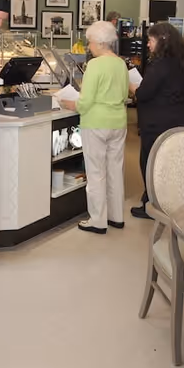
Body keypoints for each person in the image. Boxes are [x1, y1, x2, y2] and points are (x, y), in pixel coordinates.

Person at [61, 21, 128, 233]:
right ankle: (117, 217)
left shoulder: (95, 65)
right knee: (115, 170)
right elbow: (126, 95)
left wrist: (72, 104)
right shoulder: (121, 63)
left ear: (100, 43)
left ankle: (98, 220)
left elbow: (86, 101)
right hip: (118, 121)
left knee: (96, 172)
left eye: (90, 42)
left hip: (96, 123)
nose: (89, 46)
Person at [130, 22, 184, 219]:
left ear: (161, 41)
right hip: (176, 120)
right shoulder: (178, 62)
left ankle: (152, 205)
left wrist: (132, 86)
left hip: (157, 122)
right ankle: (163, 202)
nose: (148, 45)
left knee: (150, 163)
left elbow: (144, 93)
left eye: (150, 40)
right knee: (166, 164)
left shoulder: (160, 65)